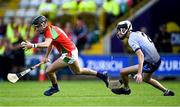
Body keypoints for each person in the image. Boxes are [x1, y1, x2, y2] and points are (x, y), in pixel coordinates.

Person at [21, 15, 109, 96]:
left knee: (49, 70)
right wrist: (46, 56)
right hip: (71, 50)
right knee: (78, 71)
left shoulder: (50, 31)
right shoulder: (50, 30)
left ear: (43, 24)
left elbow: (47, 44)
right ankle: (102, 75)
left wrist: (32, 45)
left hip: (69, 53)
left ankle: (55, 87)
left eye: (37, 27)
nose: (36, 29)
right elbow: (51, 44)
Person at [111, 20, 174, 96]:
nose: (118, 33)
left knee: (122, 72)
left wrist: (139, 73)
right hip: (156, 59)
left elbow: (141, 55)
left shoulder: (131, 39)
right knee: (146, 79)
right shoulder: (138, 33)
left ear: (126, 29)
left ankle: (126, 89)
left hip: (151, 62)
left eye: (120, 30)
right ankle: (167, 91)